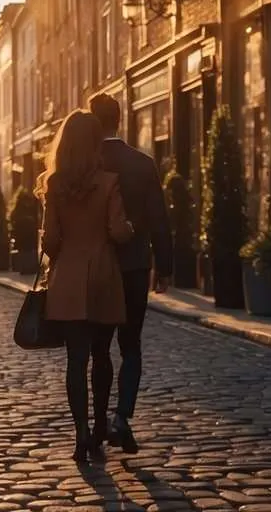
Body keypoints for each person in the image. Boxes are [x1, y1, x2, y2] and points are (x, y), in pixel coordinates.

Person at [38, 109, 133, 463]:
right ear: (96, 144)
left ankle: (79, 434)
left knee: (75, 362)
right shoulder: (109, 182)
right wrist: (132, 231)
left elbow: (50, 241)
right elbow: (119, 231)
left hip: (67, 282)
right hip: (104, 278)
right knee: (102, 356)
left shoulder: (54, 185)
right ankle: (97, 428)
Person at [88, 93, 172, 455]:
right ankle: (123, 418)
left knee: (99, 348)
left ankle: (99, 423)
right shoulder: (142, 163)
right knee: (131, 346)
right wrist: (165, 268)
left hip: (98, 268)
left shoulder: (85, 165)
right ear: (119, 120)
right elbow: (159, 220)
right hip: (136, 266)